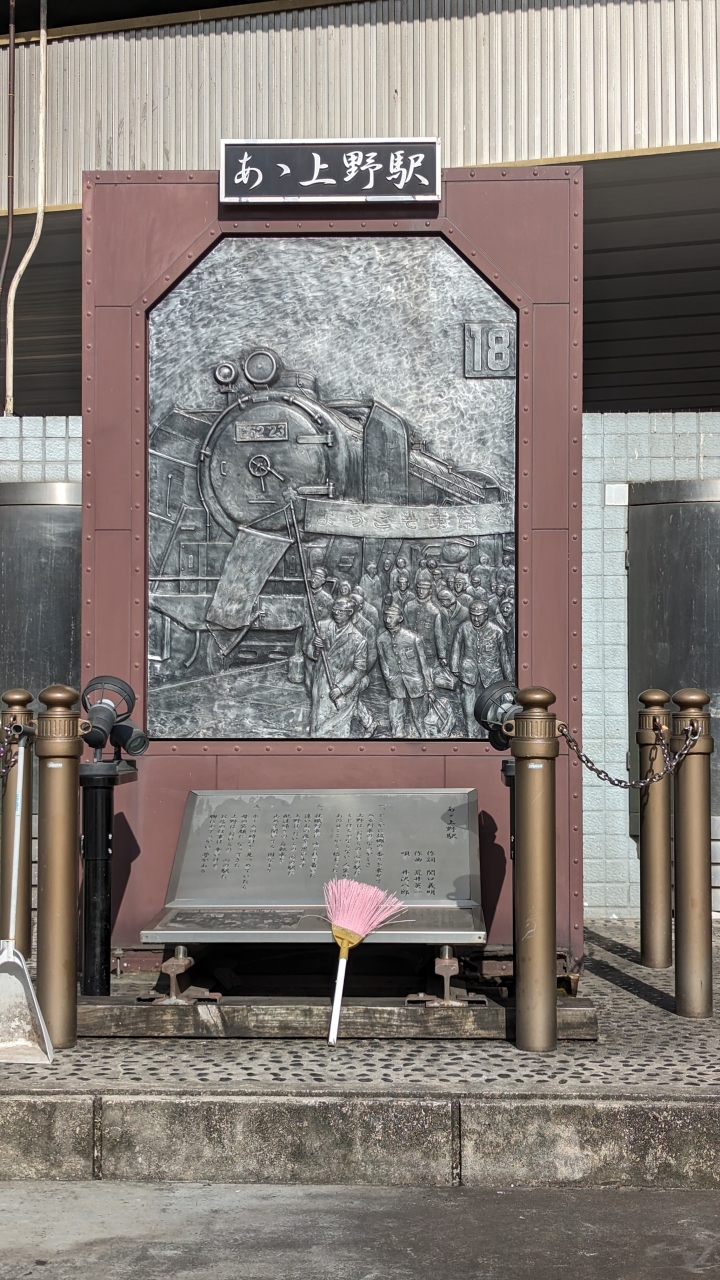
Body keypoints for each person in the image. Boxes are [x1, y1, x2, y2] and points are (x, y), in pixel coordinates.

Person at [306, 597, 368, 737]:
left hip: (340, 690)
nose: (336, 613)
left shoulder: (358, 639)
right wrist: (316, 649)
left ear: (350, 612)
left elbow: (359, 670)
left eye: (341, 610)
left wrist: (341, 688)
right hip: (321, 685)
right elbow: (309, 651)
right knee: (317, 729)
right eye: (335, 609)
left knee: (336, 733)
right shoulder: (322, 626)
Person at [451, 600, 512, 738]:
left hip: (492, 677)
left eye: (479, 616)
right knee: (468, 710)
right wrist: (454, 667)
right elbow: (456, 648)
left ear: (486, 615)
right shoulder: (464, 628)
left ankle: (487, 737)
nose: (475, 619)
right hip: (468, 675)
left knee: (490, 712)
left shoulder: (497, 632)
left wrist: (509, 683)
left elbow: (504, 658)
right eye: (472, 615)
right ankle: (471, 736)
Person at [377, 604, 434, 738]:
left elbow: (423, 664)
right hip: (395, 681)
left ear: (400, 618)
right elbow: (383, 661)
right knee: (397, 710)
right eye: (386, 617)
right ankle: (398, 733)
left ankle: (421, 734)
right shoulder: (381, 639)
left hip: (415, 681)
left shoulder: (413, 638)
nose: (387, 620)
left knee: (417, 713)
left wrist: (429, 686)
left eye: (391, 617)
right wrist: (388, 678)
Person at [407, 571, 448, 678]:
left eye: (424, 589)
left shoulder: (434, 611)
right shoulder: (409, 607)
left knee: (428, 677)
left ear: (429, 591)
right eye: (419, 588)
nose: (421, 591)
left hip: (428, 651)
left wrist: (442, 656)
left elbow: (438, 635)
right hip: (410, 650)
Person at [349, 591, 378, 737]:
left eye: (353, 603)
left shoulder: (367, 627)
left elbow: (372, 655)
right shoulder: (341, 622)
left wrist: (360, 674)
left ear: (360, 607)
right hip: (341, 671)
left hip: (360, 673)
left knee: (348, 693)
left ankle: (369, 723)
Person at [437, 586, 469, 653]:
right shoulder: (439, 611)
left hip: (459, 650)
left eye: (442, 601)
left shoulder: (465, 612)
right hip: (444, 649)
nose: (441, 603)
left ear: (449, 600)